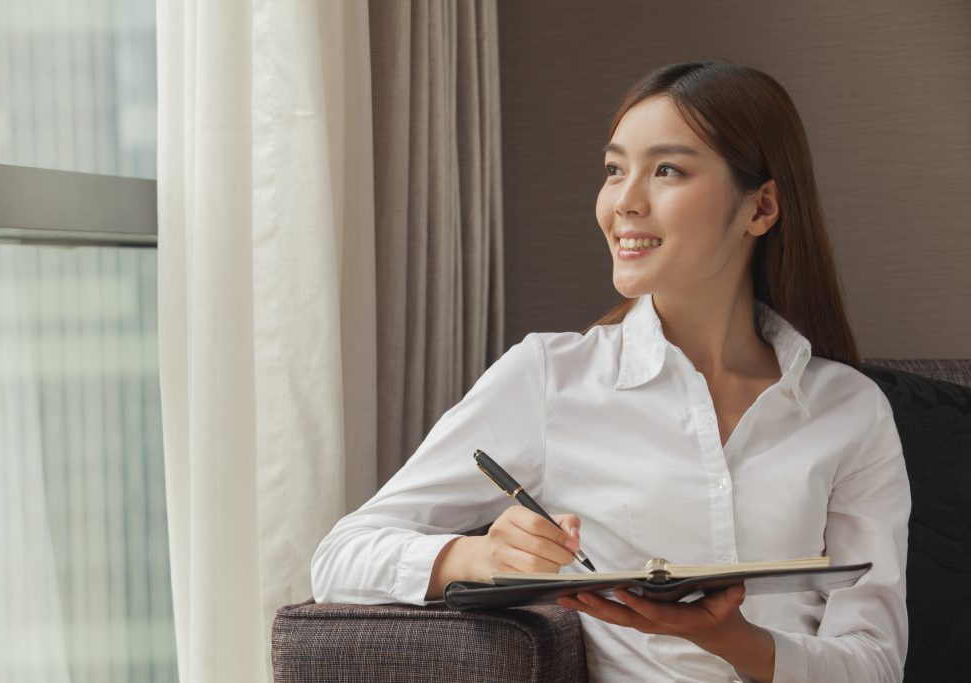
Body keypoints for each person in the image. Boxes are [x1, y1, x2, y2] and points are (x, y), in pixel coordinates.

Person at [311, 60, 910, 683]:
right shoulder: (551, 377)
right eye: (614, 170)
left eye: (668, 170)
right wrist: (477, 554)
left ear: (760, 207)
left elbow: (874, 660)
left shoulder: (851, 410)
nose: (625, 201)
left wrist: (739, 641)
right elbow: (340, 557)